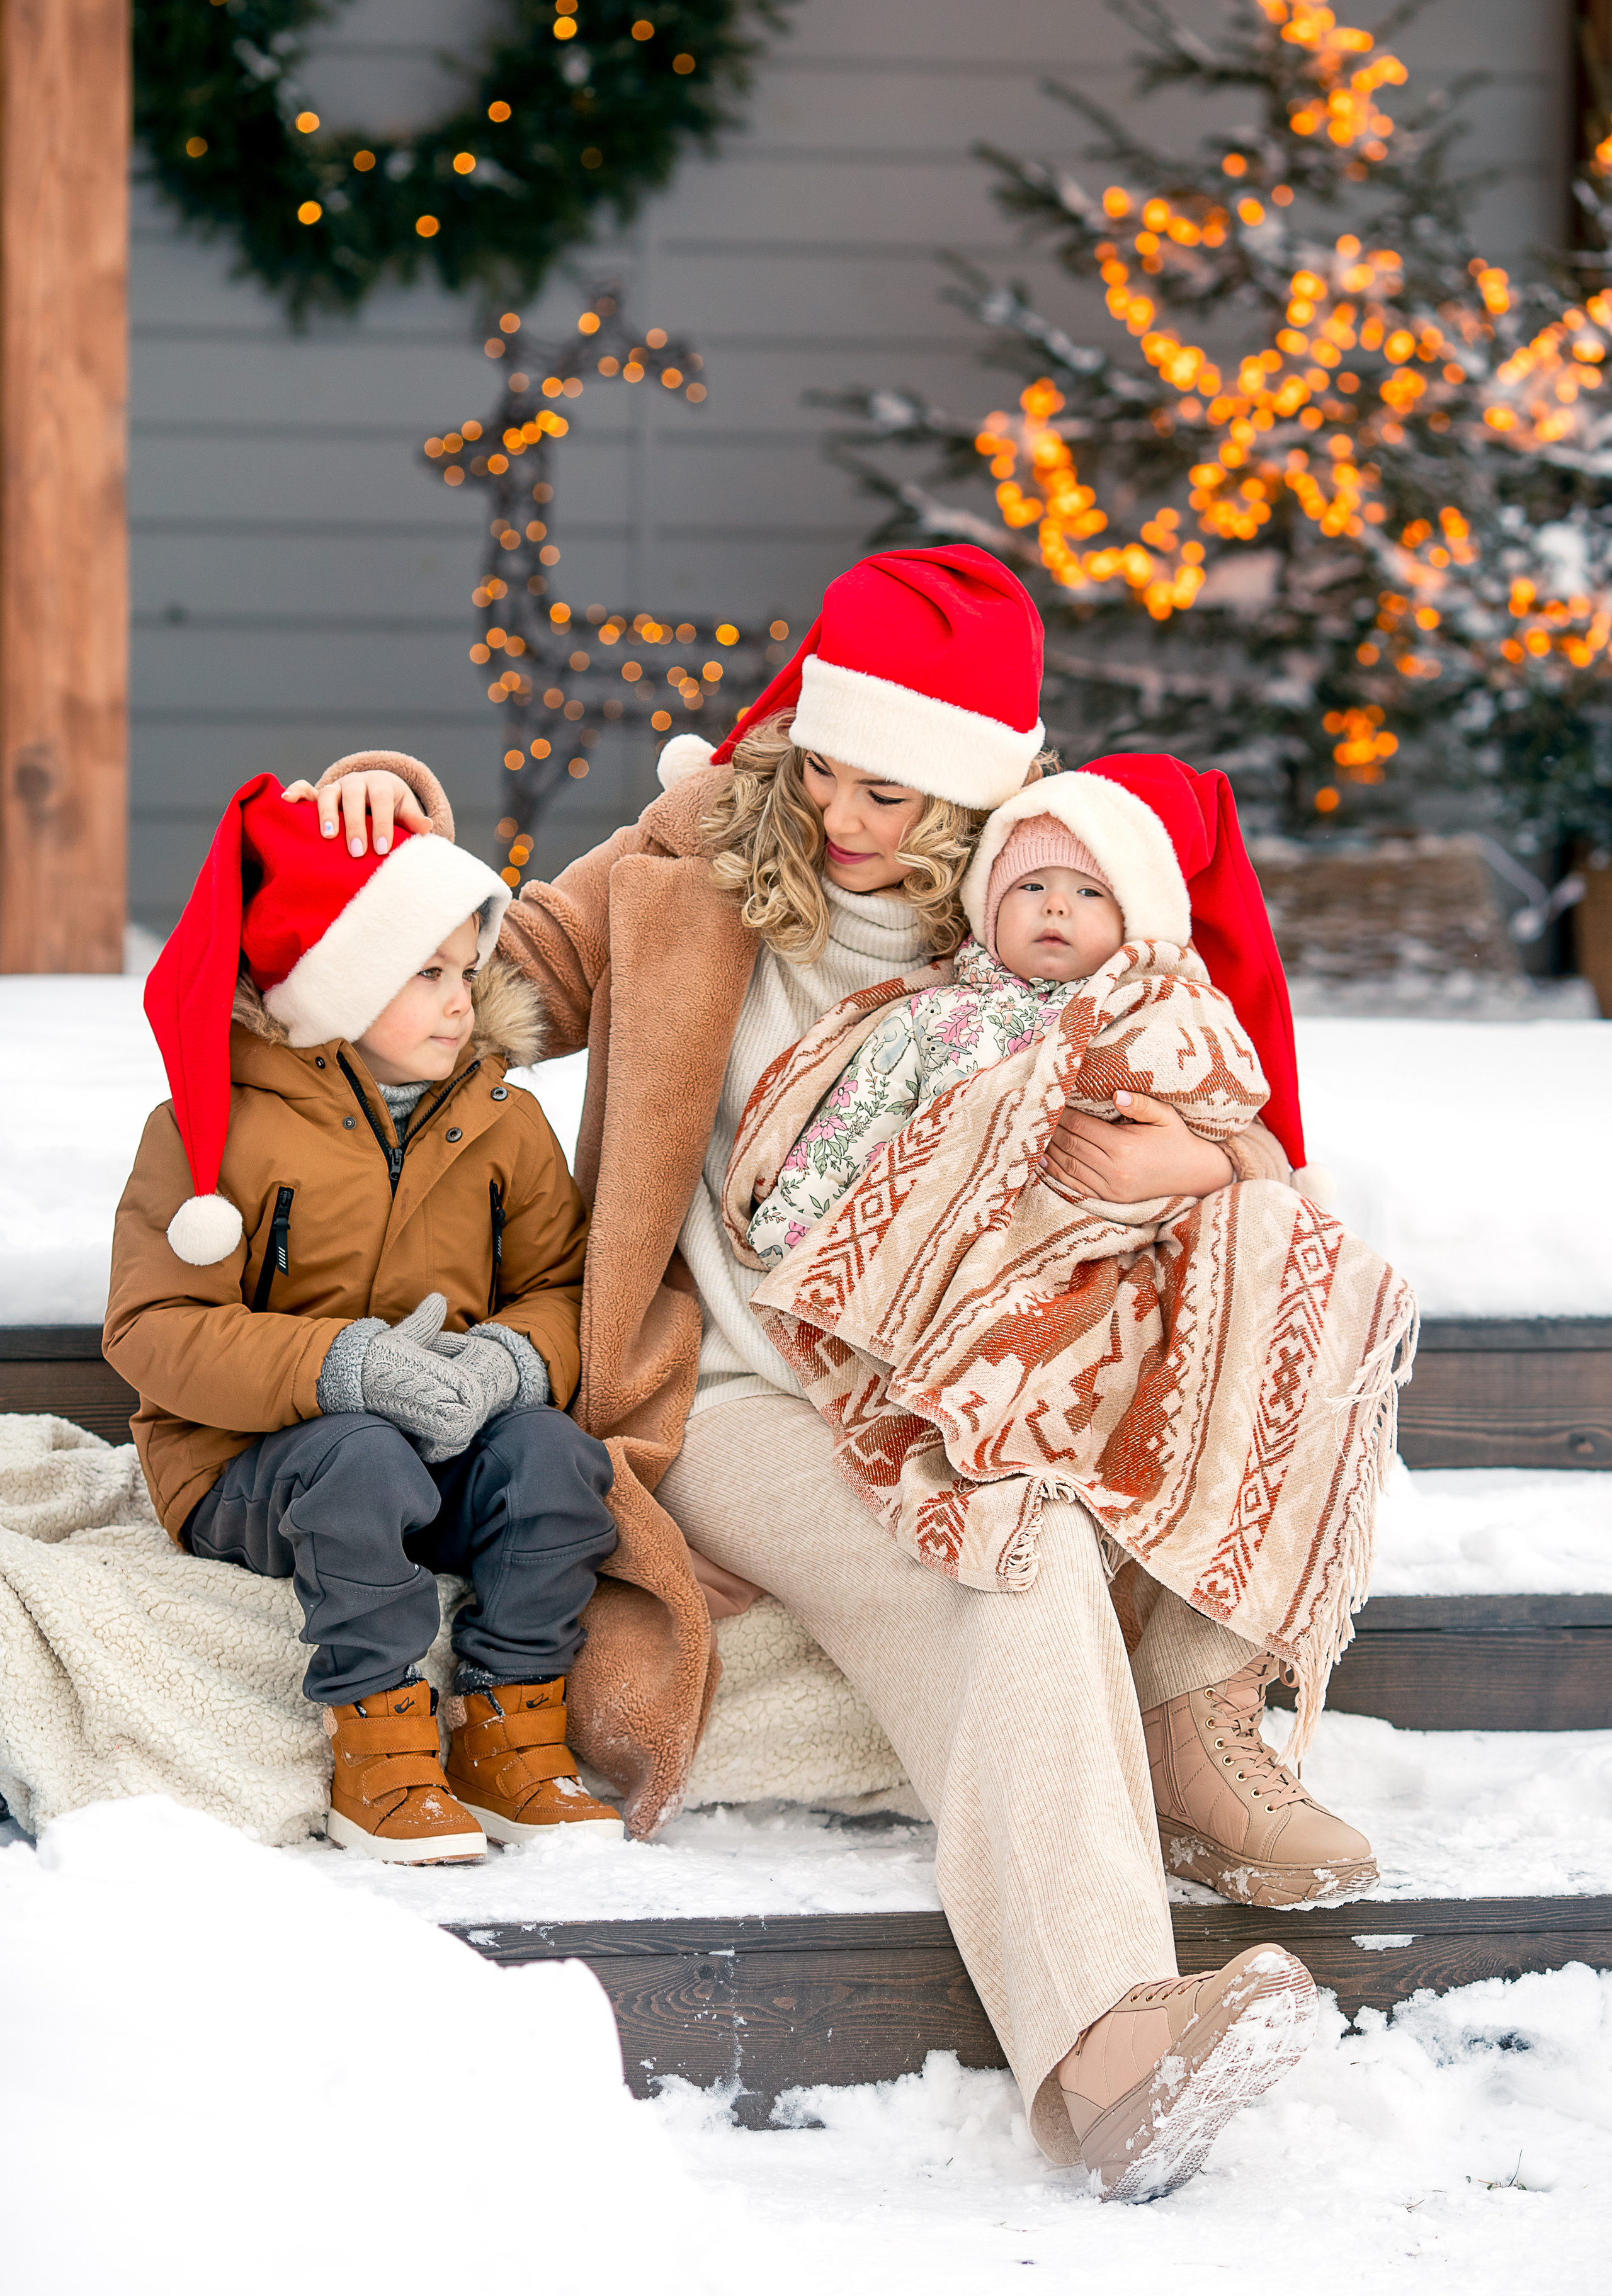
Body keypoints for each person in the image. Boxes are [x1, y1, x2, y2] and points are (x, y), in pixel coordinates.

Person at [290, 545, 1374, 2198]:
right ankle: (1109, 2046)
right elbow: (470, 992)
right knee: (999, 1547)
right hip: (733, 1394)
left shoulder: (1045, 915)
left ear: (976, 799)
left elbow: (1213, 1096)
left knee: (1204, 1326)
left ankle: (1186, 1748)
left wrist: (1207, 1160)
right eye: (824, 769)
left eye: (891, 790)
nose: (843, 815)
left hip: (977, 1373)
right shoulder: (688, 874)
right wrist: (381, 845)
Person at [104, 774, 622, 1865]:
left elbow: (564, 1288)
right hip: (248, 1465)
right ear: (332, 984)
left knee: (552, 1458)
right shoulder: (212, 1129)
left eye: (466, 970)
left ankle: (510, 1723)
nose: (459, 1001)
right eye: (424, 973)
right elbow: (155, 1329)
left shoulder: (505, 1122)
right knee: (360, 1459)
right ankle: (380, 1742)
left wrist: (506, 1364)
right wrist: (344, 1364)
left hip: (445, 1442)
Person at [746, 764, 1270, 1265]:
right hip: (968, 1255)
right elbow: (856, 1121)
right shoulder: (937, 1018)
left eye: (1089, 892)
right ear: (990, 911)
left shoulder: (1163, 1014)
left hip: (1120, 1249)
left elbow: (1235, 1102)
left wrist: (1205, 1165)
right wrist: (789, 1232)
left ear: (1132, 924)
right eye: (1031, 886)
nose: (1056, 906)